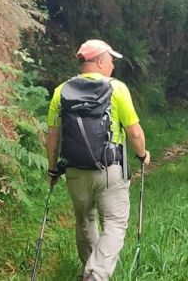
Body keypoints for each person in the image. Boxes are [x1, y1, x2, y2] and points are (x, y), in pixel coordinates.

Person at [46, 39, 150, 281]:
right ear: (101, 62)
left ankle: (90, 269)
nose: (113, 66)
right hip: (109, 170)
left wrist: (52, 170)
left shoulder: (61, 91)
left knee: (84, 219)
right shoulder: (117, 88)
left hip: (74, 171)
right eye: (111, 60)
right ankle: (97, 274)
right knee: (115, 222)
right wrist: (142, 155)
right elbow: (134, 132)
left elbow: (52, 137)